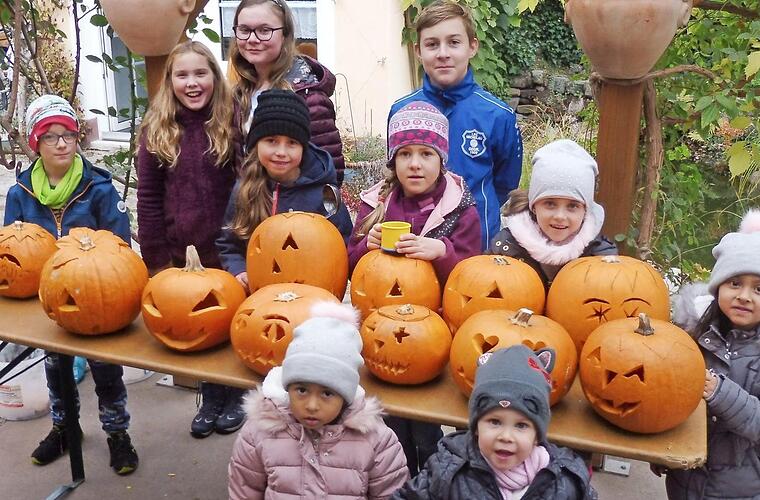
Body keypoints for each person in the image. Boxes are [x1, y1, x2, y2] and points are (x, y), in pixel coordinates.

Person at [4, 94, 138, 474]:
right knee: (55, 366)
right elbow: (12, 250)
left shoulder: (99, 189)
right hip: (45, 301)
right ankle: (65, 428)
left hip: (98, 299)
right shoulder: (20, 193)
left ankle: (117, 432)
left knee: (106, 370)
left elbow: (120, 247)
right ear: (36, 143)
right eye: (51, 136)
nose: (62, 143)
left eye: (68, 134)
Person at [136, 41, 243, 439]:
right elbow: (148, 196)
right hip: (184, 254)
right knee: (198, 327)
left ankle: (234, 396)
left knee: (230, 328)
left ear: (215, 77)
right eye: (182, 75)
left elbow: (247, 187)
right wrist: (157, 260)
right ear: (170, 81)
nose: (192, 83)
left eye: (201, 73)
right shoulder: (157, 129)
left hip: (229, 250)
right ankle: (210, 398)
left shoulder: (231, 122)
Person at [228, 302, 409, 498]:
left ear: (345, 395)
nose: (312, 406)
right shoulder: (258, 433)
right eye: (302, 390)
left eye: (327, 393)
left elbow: (391, 494)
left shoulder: (376, 440)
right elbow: (244, 490)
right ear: (287, 387)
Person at [390, 0, 523, 250]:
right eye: (432, 44)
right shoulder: (402, 111)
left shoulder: (498, 115)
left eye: (453, 42)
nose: (443, 53)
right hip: (414, 244)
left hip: (477, 247)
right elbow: (396, 173)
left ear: (472, 46)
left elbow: (505, 184)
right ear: (418, 50)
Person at [393, 345, 597, 499]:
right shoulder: (447, 471)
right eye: (494, 421)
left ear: (537, 435)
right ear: (476, 427)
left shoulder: (565, 482)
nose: (506, 436)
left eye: (521, 425)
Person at [661, 210, 760, 499]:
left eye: (759, 288)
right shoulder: (693, 334)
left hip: (741, 488)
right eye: (735, 283)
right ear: (718, 286)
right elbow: (666, 399)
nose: (744, 296)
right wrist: (664, 449)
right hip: (684, 482)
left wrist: (721, 393)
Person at [216, 89, 352, 290]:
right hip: (258, 294)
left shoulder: (326, 194)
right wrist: (238, 270)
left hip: (313, 293)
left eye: (292, 143)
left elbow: (344, 245)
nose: (281, 152)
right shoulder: (244, 190)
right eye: (271, 141)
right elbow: (229, 244)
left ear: (303, 148)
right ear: (256, 144)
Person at [348, 100, 481, 285]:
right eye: (405, 154)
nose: (415, 164)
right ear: (393, 161)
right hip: (379, 301)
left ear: (441, 160)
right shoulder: (374, 205)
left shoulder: (462, 211)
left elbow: (471, 282)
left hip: (439, 303)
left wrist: (442, 252)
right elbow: (351, 272)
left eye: (426, 154)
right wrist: (366, 247)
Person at [228, 0, 346, 184]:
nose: (252, 39)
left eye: (264, 30)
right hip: (248, 200)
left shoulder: (307, 96)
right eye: (244, 30)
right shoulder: (240, 93)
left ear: (285, 35)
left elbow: (328, 172)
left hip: (291, 201)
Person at [488, 139, 617, 287]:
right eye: (550, 204)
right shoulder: (506, 247)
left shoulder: (599, 255)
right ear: (534, 206)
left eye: (572, 206)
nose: (560, 216)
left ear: (585, 210)